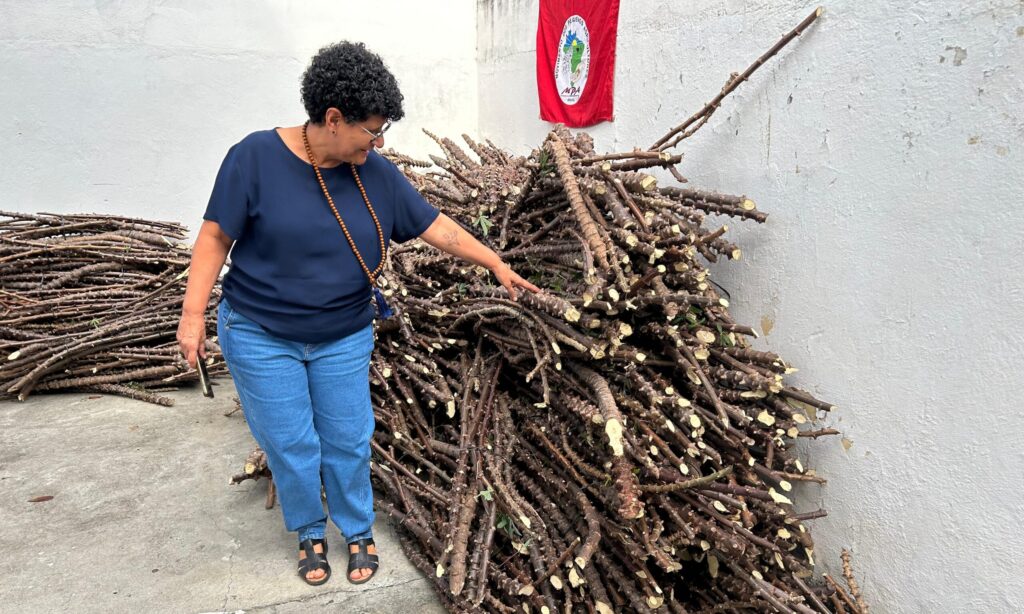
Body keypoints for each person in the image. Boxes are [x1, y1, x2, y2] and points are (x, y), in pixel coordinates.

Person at [176, 41, 538, 586]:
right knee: (290, 441)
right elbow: (215, 237)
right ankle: (309, 531)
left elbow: (436, 225)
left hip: (342, 334)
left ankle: (357, 527)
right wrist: (192, 314)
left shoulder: (376, 173)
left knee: (347, 435)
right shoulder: (253, 157)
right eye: (372, 129)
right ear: (333, 118)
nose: (380, 140)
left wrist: (494, 263)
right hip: (260, 333)